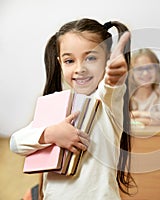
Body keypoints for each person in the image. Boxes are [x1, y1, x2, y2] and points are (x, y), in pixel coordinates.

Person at [10, 18, 135, 199]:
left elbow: (111, 88)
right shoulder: (54, 105)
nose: (80, 68)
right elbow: (15, 143)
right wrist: (51, 134)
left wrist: (114, 77)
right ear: (60, 62)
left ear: (107, 59)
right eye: (69, 61)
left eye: (91, 58)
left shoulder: (107, 102)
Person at [129, 48, 160, 126]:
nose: (145, 73)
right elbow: (119, 120)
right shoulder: (124, 93)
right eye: (139, 69)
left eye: (149, 68)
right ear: (131, 72)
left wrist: (138, 115)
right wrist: (155, 118)